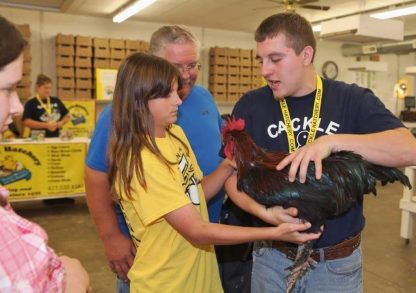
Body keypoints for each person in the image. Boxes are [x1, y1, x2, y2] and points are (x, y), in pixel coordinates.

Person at [224, 12, 416, 293]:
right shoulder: (251, 105)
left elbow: (409, 149)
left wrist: (333, 142)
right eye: (261, 60)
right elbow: (231, 176)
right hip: (270, 260)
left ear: (306, 54)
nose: (265, 70)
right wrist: (266, 214)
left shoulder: (351, 99)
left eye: (275, 59)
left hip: (335, 267)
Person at [107, 52, 319, 293]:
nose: (178, 101)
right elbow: (197, 231)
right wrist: (275, 232)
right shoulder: (142, 161)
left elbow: (195, 194)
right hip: (166, 283)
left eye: (177, 91)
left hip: (200, 278)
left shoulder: (174, 134)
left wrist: (227, 165)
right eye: (168, 94)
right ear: (139, 100)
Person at [85, 25, 224, 292]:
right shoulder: (123, 113)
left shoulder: (204, 98)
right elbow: (96, 175)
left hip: (202, 247)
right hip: (157, 255)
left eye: (192, 65)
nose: (186, 75)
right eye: (176, 66)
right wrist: (111, 236)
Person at [0, 14, 90, 292]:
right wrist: (73, 282)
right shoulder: (31, 104)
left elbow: (66, 117)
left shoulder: (56, 102)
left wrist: (59, 123)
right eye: (8, 89)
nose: (14, 106)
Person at [22, 73, 70, 138]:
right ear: (37, 87)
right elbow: (26, 122)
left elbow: (67, 116)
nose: (48, 91)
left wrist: (61, 122)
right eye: (45, 88)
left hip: (56, 137)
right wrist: (45, 125)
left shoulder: (56, 100)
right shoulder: (31, 103)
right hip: (38, 138)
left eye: (50, 88)